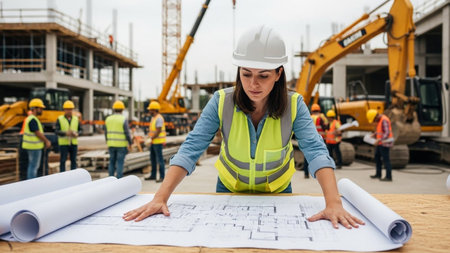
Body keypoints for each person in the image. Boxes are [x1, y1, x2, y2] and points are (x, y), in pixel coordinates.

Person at [123, 25, 364, 230]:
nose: (253, 84)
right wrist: (160, 197)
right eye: (246, 74)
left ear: (279, 74)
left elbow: (316, 151)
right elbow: (191, 148)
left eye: (263, 75)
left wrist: (333, 202)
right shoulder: (220, 101)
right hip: (229, 188)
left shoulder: (294, 105)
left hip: (278, 191)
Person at [22, 98, 51, 179]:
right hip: (34, 147)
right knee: (34, 167)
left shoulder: (31, 119)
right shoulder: (32, 119)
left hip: (32, 146)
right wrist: (46, 141)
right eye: (40, 108)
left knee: (32, 166)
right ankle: (31, 184)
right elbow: (37, 132)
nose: (41, 110)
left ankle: (31, 182)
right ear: (34, 109)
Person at [105, 100, 132, 178]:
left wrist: (107, 142)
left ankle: (110, 179)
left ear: (114, 109)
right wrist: (130, 143)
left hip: (111, 144)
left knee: (111, 162)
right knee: (120, 163)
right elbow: (127, 133)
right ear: (122, 110)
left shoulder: (108, 119)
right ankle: (119, 180)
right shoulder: (123, 119)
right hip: (121, 145)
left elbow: (106, 133)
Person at [367, 109, 393, 181]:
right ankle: (378, 174)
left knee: (386, 160)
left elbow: (387, 133)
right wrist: (374, 135)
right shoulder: (380, 120)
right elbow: (380, 131)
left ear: (376, 116)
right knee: (377, 158)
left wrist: (379, 139)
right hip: (380, 143)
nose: (374, 121)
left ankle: (388, 176)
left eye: (374, 119)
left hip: (385, 143)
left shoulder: (384, 120)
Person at [303, 103, 329, 178]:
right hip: (319, 140)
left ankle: (306, 174)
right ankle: (322, 174)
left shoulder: (308, 117)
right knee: (320, 156)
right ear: (319, 110)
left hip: (309, 140)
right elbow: (325, 127)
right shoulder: (320, 118)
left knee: (307, 157)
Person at [144, 101, 167, 183]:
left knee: (159, 160)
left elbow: (158, 130)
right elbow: (153, 131)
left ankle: (162, 176)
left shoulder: (159, 118)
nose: (149, 111)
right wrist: (149, 137)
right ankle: (153, 175)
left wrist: (151, 138)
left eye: (150, 110)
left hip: (158, 143)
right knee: (153, 159)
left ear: (154, 110)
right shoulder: (153, 118)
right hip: (154, 142)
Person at [56, 100, 81, 172]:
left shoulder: (76, 119)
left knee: (73, 161)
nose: (69, 111)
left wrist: (77, 133)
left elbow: (80, 130)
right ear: (64, 110)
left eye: (70, 109)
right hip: (64, 144)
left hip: (73, 143)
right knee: (63, 161)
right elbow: (56, 131)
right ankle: (62, 176)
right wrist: (65, 133)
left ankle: (73, 176)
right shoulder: (60, 119)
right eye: (67, 109)